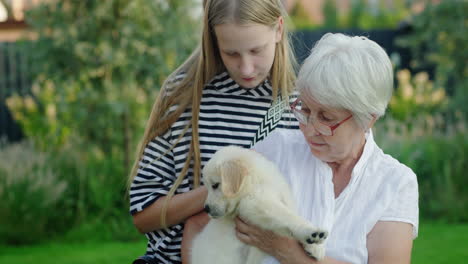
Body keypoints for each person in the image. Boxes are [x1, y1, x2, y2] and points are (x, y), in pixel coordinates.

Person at [183, 33, 419, 263]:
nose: (309, 129)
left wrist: (288, 252)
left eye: (326, 117)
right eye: (304, 110)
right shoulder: (276, 150)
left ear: (368, 118)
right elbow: (199, 225)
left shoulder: (395, 183)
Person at [128, 0, 299, 263]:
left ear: (278, 30)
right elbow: (144, 216)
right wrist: (221, 189)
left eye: (256, 50)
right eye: (231, 53)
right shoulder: (183, 97)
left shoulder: (298, 108)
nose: (246, 68)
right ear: (213, 40)